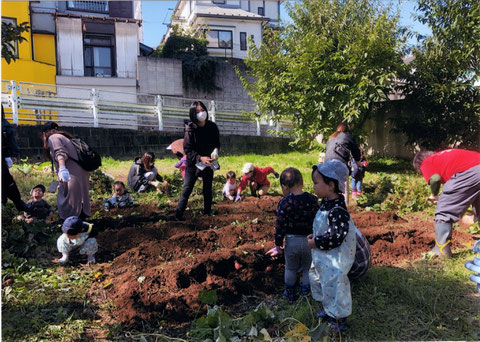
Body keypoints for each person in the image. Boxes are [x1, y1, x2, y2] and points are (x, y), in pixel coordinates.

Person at [307, 159, 357, 333]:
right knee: (323, 281)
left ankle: (339, 318)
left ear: (330, 185)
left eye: (316, 183)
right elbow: (326, 228)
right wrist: (316, 236)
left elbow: (336, 236)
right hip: (326, 254)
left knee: (335, 285)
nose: (313, 186)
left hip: (336, 257)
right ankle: (330, 311)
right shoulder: (327, 204)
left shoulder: (337, 210)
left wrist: (317, 242)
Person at [413, 149, 480, 258]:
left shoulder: (426, 162)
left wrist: (434, 195)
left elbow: (435, 178)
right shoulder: (444, 155)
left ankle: (441, 250)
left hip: (469, 173)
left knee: (444, 210)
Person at [267, 167, 319, 301]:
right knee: (308, 268)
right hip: (309, 240)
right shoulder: (312, 199)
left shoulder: (285, 202)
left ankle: (290, 292)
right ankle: (305, 291)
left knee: (290, 268)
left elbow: (280, 225)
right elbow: (319, 220)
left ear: (285, 186)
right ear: (301, 182)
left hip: (291, 241)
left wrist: (278, 243)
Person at [175, 101, 220, 221]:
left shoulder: (212, 127)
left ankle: (207, 213)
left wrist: (215, 151)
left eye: (202, 110)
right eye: (198, 111)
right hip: (193, 163)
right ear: (193, 114)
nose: (201, 113)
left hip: (209, 163)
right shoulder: (190, 129)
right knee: (187, 188)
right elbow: (187, 150)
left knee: (207, 189)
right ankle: (178, 214)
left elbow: (217, 143)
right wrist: (200, 158)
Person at [42, 122, 91, 220]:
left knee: (69, 199)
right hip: (80, 171)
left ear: (46, 133)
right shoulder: (65, 137)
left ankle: (72, 224)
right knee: (78, 197)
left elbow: (60, 153)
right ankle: (80, 221)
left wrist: (62, 169)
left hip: (71, 173)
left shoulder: (53, 137)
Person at [325, 123, 362, 204]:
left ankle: (329, 202)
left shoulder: (331, 138)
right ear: (347, 131)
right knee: (343, 185)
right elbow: (356, 152)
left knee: (330, 185)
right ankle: (344, 205)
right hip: (339, 164)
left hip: (326, 165)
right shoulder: (348, 137)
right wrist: (358, 162)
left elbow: (327, 151)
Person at [2, 105, 29, 212]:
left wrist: (12, 155)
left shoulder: (5, 125)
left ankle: (10, 203)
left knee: (6, 181)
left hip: (2, 156)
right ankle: (17, 203)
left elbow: (11, 141)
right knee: (6, 181)